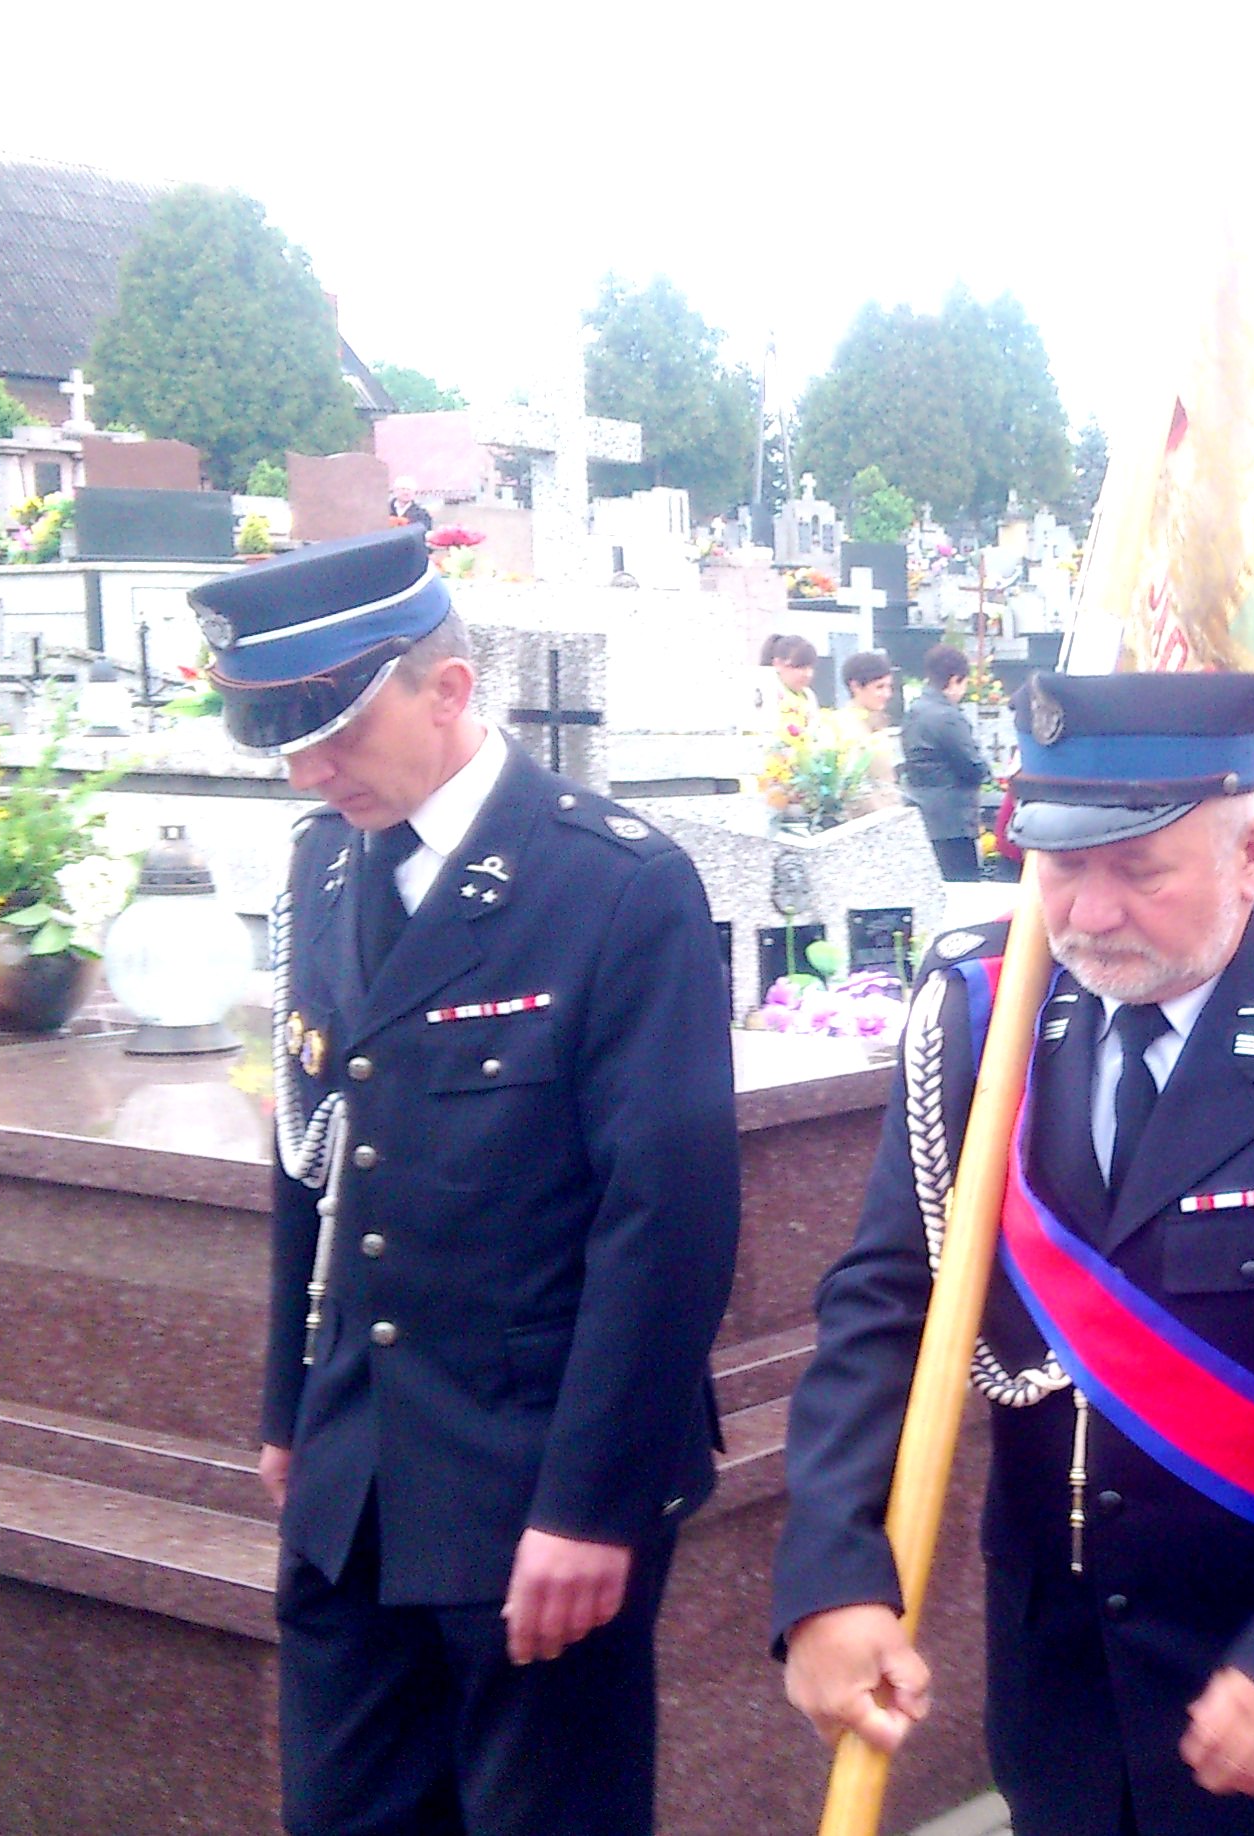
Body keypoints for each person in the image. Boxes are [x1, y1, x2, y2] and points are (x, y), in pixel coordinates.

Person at [772, 671, 1254, 1836]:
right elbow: (885, 1303)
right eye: (1059, 867)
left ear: (1253, 853)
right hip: (1063, 1703)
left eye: (1139, 870)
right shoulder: (981, 1023)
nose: (1089, 915)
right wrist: (831, 1572)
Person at [209, 528, 743, 1836]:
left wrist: (593, 1508)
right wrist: (290, 1408)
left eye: (336, 730)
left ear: (448, 689)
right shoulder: (325, 861)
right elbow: (310, 1152)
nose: (307, 769)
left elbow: (664, 1225)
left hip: (532, 1481)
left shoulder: (615, 885)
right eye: (284, 740)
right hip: (355, 1472)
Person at [901, 643, 994, 885]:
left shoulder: (914, 711)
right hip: (953, 819)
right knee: (961, 887)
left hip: (923, 814)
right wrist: (986, 770)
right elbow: (972, 766)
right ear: (954, 680)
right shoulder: (948, 717)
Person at [839, 649, 903, 817]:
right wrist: (883, 814)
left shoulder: (876, 720)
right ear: (855, 686)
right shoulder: (845, 726)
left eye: (889, 687)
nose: (887, 694)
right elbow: (854, 786)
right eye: (879, 687)